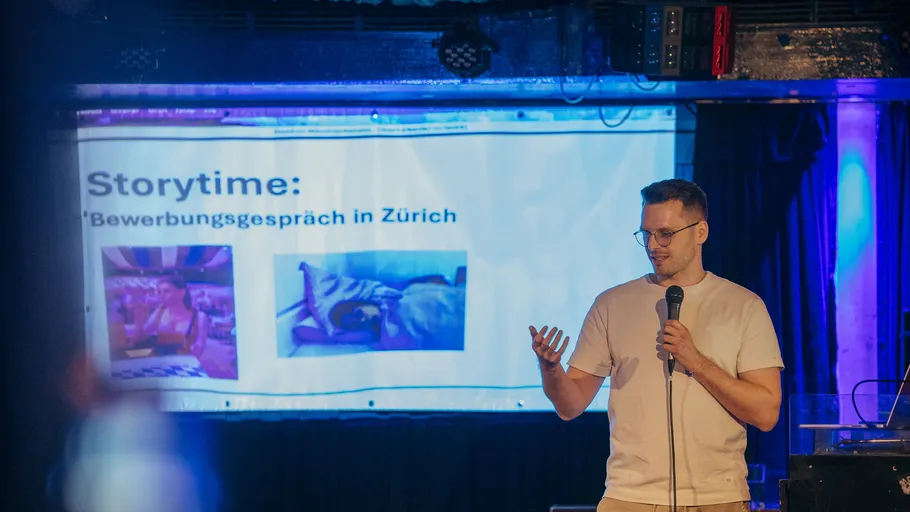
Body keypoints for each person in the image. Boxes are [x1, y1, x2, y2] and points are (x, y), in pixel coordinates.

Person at [530, 178, 783, 512]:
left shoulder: (743, 306)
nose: (653, 245)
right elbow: (570, 405)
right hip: (629, 497)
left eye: (665, 234)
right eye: (646, 234)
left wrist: (696, 360)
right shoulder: (612, 304)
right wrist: (551, 370)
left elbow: (766, 414)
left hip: (717, 498)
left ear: (700, 233)